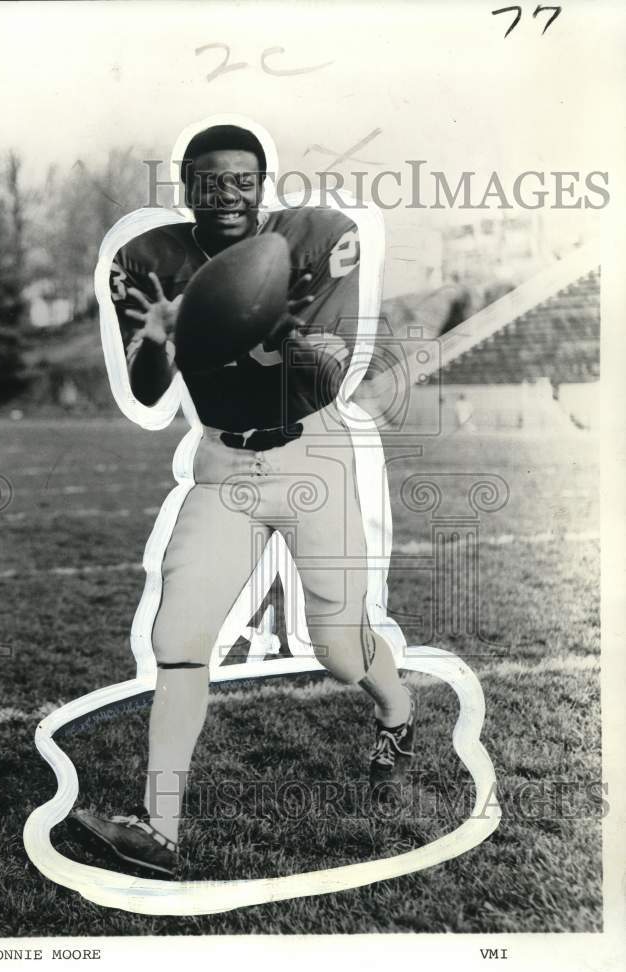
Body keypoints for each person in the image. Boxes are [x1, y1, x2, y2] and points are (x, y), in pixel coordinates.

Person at [69, 124, 415, 879]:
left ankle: (395, 708)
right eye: (208, 180)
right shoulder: (148, 260)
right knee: (179, 636)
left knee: (336, 645)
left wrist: (256, 322)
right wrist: (165, 334)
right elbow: (150, 390)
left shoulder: (317, 237)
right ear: (185, 185)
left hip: (309, 456)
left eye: (241, 180)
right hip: (224, 461)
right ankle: (160, 830)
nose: (225, 194)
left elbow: (325, 378)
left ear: (262, 184)